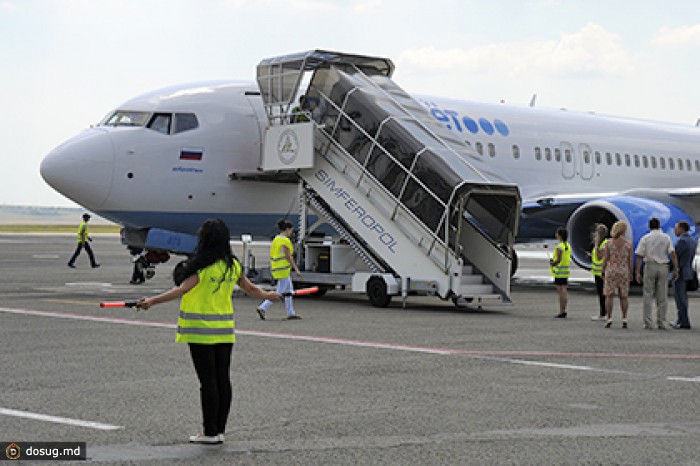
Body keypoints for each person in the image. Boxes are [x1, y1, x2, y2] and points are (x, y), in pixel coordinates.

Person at [136, 218, 281, 444]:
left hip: (200, 331)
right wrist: (268, 296)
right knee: (223, 380)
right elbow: (250, 288)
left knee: (208, 382)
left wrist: (151, 301)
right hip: (224, 331)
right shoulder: (232, 265)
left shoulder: (201, 266)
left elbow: (180, 290)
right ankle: (219, 430)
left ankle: (209, 432)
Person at [635, 217, 678, 329]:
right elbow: (672, 253)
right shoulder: (666, 237)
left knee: (648, 294)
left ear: (649, 226)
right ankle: (661, 321)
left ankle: (648, 322)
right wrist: (676, 268)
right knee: (662, 295)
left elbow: (640, 255)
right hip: (663, 266)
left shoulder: (645, 238)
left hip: (650, 265)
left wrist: (637, 271)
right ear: (659, 226)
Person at [257, 219, 303, 320]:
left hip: (277, 268)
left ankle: (291, 313)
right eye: (290, 230)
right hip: (283, 269)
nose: (291, 233)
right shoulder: (285, 241)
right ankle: (263, 307)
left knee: (289, 291)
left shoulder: (276, 239)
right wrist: (296, 268)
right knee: (280, 292)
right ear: (287, 229)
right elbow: (288, 256)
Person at [601, 221, 633, 328]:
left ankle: (609, 317)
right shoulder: (628, 244)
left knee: (609, 295)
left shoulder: (609, 243)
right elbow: (630, 260)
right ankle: (624, 318)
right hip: (623, 270)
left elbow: (606, 258)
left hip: (612, 270)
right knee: (623, 296)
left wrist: (603, 269)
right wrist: (631, 272)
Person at [671, 220, 696, 329]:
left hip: (680, 271)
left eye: (676, 228)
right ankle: (681, 319)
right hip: (687, 270)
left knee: (680, 297)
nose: (675, 230)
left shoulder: (681, 241)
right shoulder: (692, 240)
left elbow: (675, 256)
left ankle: (683, 321)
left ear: (681, 229)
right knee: (683, 297)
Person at [550, 227, 570, 318]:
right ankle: (564, 309)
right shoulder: (567, 246)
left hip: (559, 272)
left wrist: (552, 263)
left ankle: (561, 310)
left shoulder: (559, 247)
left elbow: (558, 260)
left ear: (560, 235)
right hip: (565, 272)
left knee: (560, 292)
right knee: (564, 291)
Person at [590, 224, 609, 321]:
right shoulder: (603, 244)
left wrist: (596, 245)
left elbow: (599, 257)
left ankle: (604, 313)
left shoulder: (604, 244)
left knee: (603, 294)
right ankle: (603, 313)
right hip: (597, 272)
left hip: (602, 272)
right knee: (601, 293)